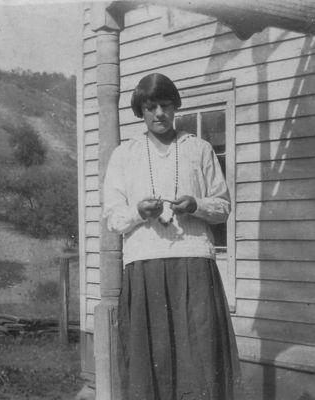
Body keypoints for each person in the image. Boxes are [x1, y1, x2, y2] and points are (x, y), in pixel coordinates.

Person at [103, 73, 240, 400]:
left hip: (193, 264)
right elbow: (113, 218)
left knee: (199, 359)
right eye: (150, 107)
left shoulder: (200, 149)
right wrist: (139, 212)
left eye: (165, 105)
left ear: (175, 106)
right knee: (153, 360)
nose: (159, 114)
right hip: (145, 266)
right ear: (141, 111)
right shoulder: (125, 154)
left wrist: (196, 205)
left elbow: (222, 207)